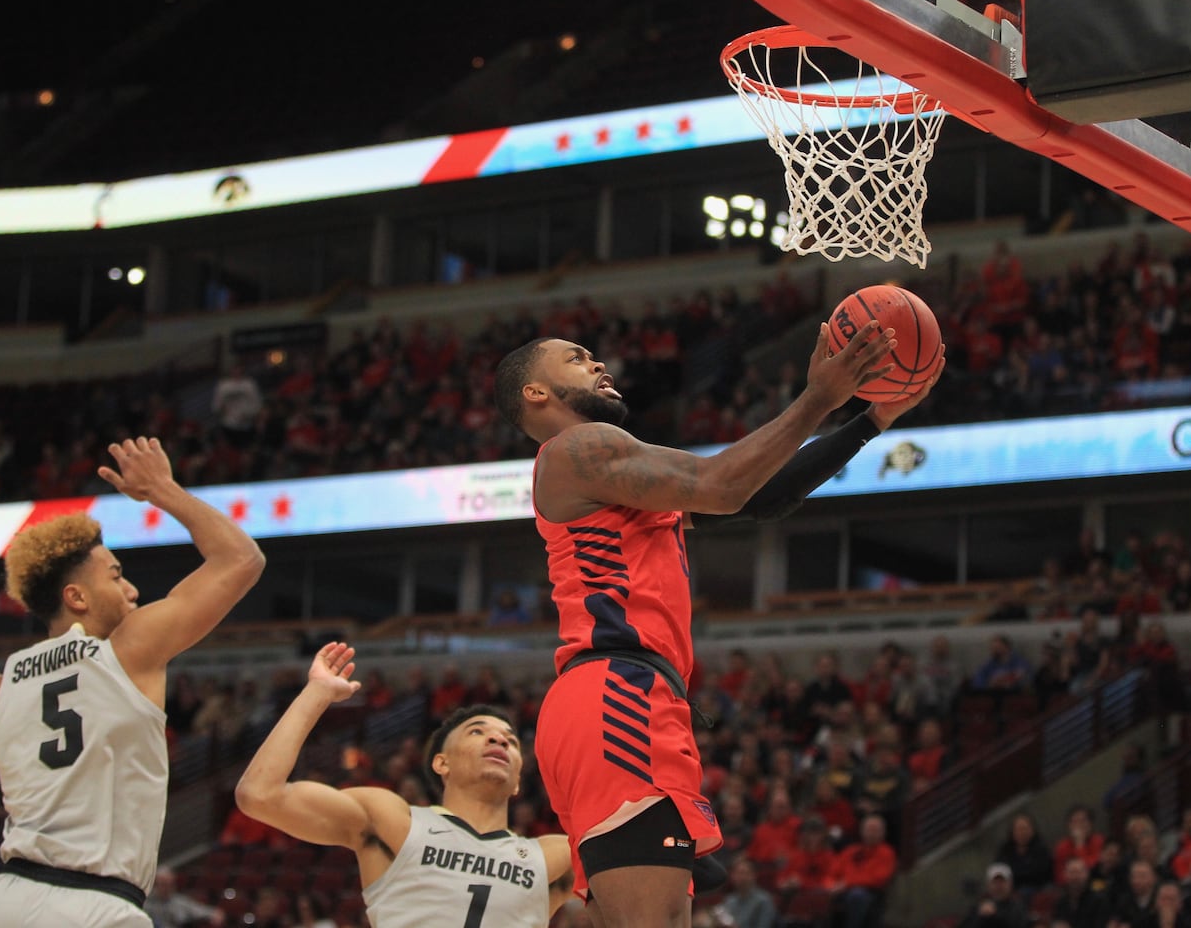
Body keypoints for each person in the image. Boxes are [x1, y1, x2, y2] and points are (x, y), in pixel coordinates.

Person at [493, 323, 941, 926]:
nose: (598, 364)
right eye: (576, 359)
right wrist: (819, 396)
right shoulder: (580, 448)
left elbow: (759, 498)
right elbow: (721, 484)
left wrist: (869, 421)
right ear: (536, 394)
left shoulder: (611, 480)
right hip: (617, 695)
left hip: (613, 696)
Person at [0, 437, 266, 927]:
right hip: (96, 904)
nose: (131, 589)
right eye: (115, 576)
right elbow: (241, 560)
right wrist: (163, 490)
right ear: (77, 597)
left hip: (4, 902)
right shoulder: (129, 649)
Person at [234, 642, 573, 927]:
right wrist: (316, 693)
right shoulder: (396, 822)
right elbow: (259, 794)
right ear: (442, 763)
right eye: (477, 731)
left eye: (511, 741)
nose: (499, 739)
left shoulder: (557, 856)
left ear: (518, 780)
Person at [143, 867, 224, 927]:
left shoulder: (180, 901)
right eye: (163, 884)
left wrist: (214, 913)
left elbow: (200, 910)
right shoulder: (146, 903)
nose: (168, 888)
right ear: (155, 885)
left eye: (170, 884)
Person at [960, 863, 1028, 928]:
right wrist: (980, 917)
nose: (998, 886)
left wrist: (995, 915)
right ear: (988, 885)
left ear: (1010, 884)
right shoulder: (979, 906)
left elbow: (1018, 924)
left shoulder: (1017, 906)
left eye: (1002, 882)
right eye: (995, 882)